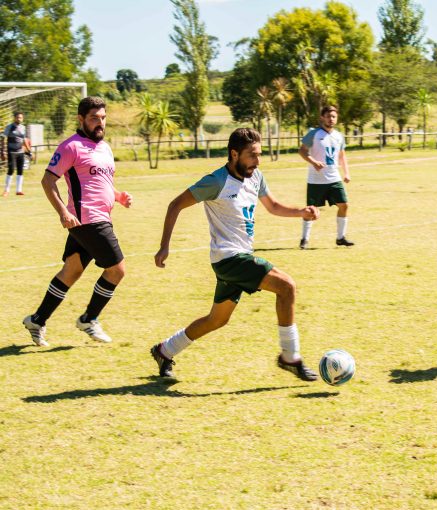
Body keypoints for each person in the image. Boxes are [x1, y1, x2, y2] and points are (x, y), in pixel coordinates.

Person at [151, 128, 320, 381]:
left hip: (237, 258)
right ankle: (290, 356)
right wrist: (164, 246)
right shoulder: (216, 182)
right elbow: (175, 205)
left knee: (216, 320)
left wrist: (301, 212)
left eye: (259, 154)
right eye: (252, 155)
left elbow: (273, 206)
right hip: (229, 258)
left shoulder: (256, 177)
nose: (258, 161)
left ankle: (165, 351)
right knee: (287, 287)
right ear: (234, 154)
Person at [22, 97, 132, 346]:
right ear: (81, 119)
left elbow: (100, 182)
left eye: (103, 118)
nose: (100, 123)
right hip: (87, 220)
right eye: (94, 118)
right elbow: (48, 181)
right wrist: (63, 211)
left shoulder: (105, 148)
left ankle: (37, 320)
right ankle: (89, 319)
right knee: (117, 270)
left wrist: (118, 197)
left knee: (71, 271)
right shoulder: (70, 147)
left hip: (97, 217)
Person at [298, 105, 353, 249]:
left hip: (334, 178)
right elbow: (302, 151)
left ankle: (340, 238)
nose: (331, 119)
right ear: (322, 117)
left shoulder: (339, 136)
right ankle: (304, 239)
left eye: (333, 116)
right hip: (316, 180)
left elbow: (342, 156)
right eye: (328, 116)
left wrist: (346, 173)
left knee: (344, 205)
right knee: (310, 210)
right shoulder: (313, 134)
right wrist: (314, 162)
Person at [1, 111, 33, 196]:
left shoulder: (23, 127)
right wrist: (2, 151)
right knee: (11, 169)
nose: (19, 119)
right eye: (18, 117)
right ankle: (6, 190)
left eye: (21, 117)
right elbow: (3, 138)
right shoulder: (9, 127)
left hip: (20, 152)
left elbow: (24, 140)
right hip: (11, 151)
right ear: (14, 118)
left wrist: (29, 151)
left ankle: (19, 190)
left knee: (20, 170)